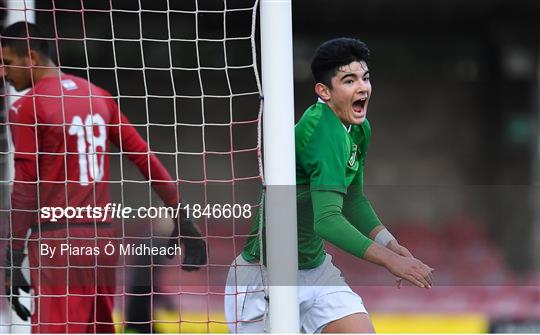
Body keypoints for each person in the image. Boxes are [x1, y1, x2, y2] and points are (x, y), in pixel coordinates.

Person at [1, 21, 206, 333]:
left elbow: (25, 185)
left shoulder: (27, 107)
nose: (3, 73)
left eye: (7, 63)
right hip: (102, 242)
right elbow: (144, 158)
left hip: (57, 241)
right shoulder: (99, 96)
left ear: (31, 57)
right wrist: (183, 217)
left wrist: (13, 254)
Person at [224, 37, 434, 333]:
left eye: (365, 78)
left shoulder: (359, 128)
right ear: (324, 91)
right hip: (264, 275)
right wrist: (388, 261)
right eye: (349, 80)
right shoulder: (321, 130)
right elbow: (327, 221)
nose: (362, 87)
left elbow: (353, 199)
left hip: (314, 269)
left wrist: (392, 245)